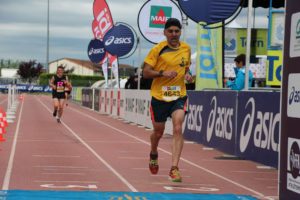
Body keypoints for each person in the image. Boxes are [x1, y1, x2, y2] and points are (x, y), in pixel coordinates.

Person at [143, 18, 193, 182]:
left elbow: (186, 68)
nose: (173, 34)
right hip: (159, 97)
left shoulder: (186, 49)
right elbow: (146, 73)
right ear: (164, 32)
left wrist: (187, 75)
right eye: (170, 31)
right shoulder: (158, 50)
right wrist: (162, 73)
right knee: (158, 132)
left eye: (176, 31)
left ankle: (174, 168)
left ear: (180, 32)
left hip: (179, 95)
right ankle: (153, 152)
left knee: (178, 127)